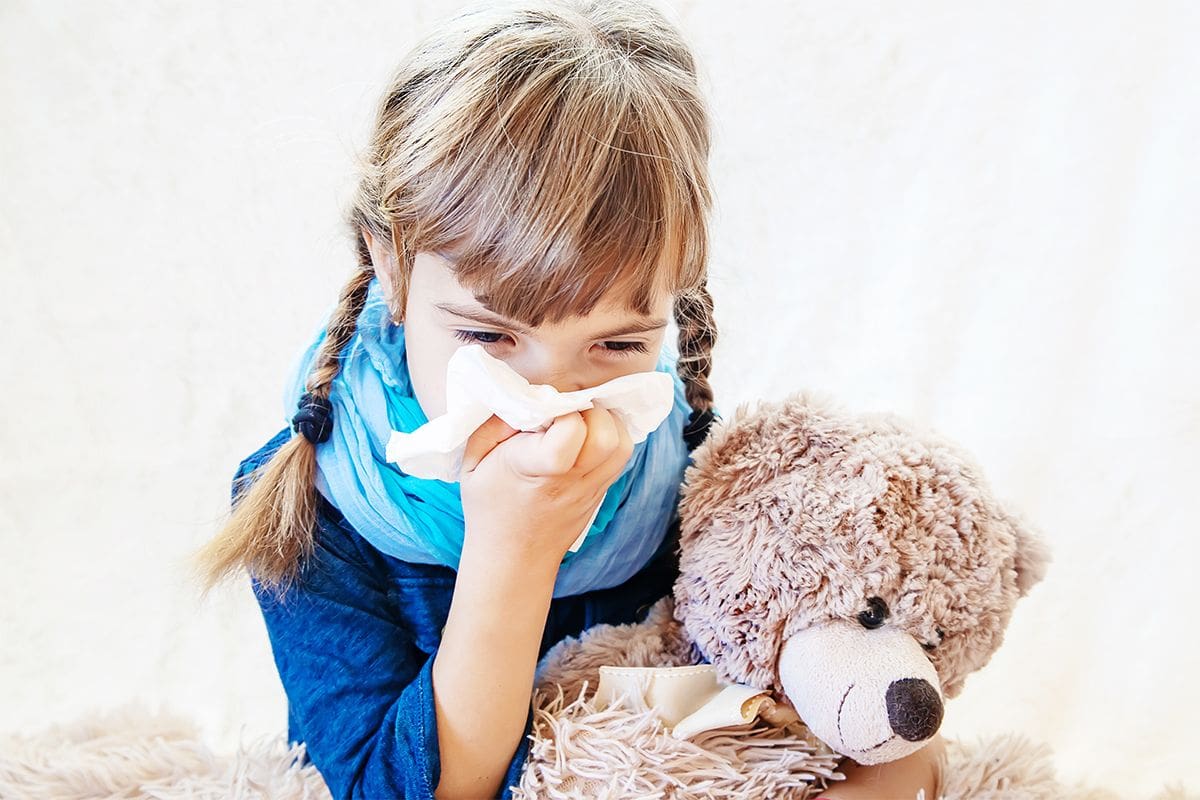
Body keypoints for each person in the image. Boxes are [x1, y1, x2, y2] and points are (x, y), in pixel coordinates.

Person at [193, 1, 942, 798]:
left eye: (617, 345)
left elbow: (880, 714)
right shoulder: (312, 499)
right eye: (489, 338)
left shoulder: (712, 480)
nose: (548, 400)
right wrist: (514, 547)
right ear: (390, 266)